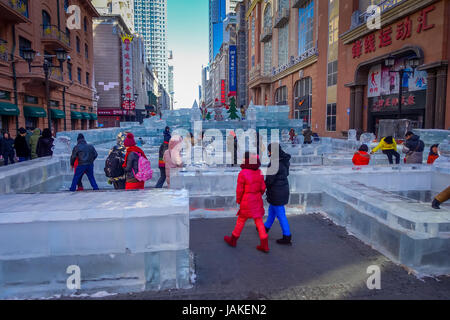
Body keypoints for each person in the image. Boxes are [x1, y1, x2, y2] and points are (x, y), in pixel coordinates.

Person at [224, 152, 269, 253]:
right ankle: (264, 244)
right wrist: (257, 195)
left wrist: (239, 200)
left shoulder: (243, 173)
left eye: (244, 158)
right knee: (259, 221)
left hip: (246, 200)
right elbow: (263, 187)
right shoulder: (259, 172)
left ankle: (233, 240)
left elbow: (239, 190)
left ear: (248, 160)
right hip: (256, 200)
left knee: (241, 220)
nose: (243, 159)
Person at [264, 143, 292, 245]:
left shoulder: (274, 163)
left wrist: (262, 186)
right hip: (283, 189)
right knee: (272, 210)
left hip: (276, 192)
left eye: (269, 151)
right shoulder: (284, 161)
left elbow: (269, 180)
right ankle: (265, 228)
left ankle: (287, 236)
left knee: (280, 214)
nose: (268, 153)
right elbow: (286, 174)